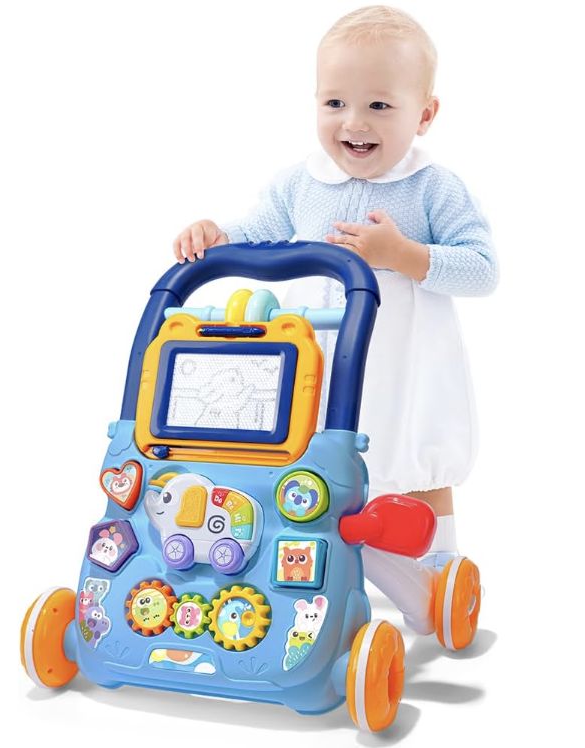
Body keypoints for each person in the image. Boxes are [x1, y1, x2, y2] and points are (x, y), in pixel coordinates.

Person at [171, 5, 497, 633]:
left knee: (415, 459)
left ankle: (438, 567)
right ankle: (320, 563)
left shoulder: (432, 187)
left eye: (379, 105)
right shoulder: (301, 183)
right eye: (335, 103)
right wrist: (217, 235)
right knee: (316, 461)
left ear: (424, 114)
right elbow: (261, 231)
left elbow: (482, 269)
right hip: (318, 359)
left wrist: (402, 255)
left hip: (403, 362)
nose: (354, 122)